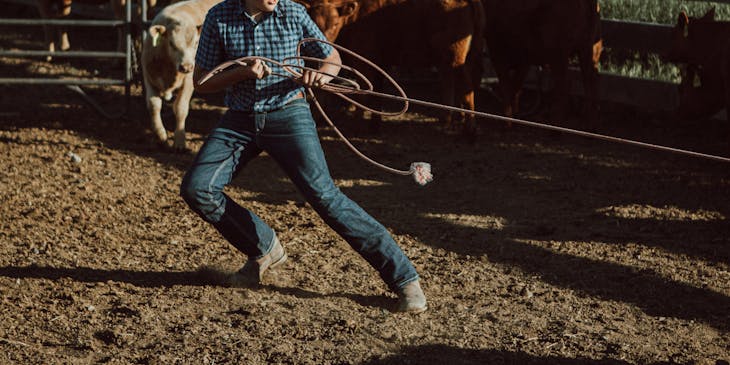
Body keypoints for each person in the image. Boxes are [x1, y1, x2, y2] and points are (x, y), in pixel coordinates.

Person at [179, 0, 427, 313]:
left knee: (325, 197)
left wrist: (321, 75)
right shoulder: (219, 16)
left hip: (289, 113)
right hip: (240, 119)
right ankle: (263, 247)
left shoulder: (293, 12)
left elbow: (332, 57)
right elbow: (201, 80)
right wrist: (240, 72)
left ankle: (404, 278)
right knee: (197, 188)